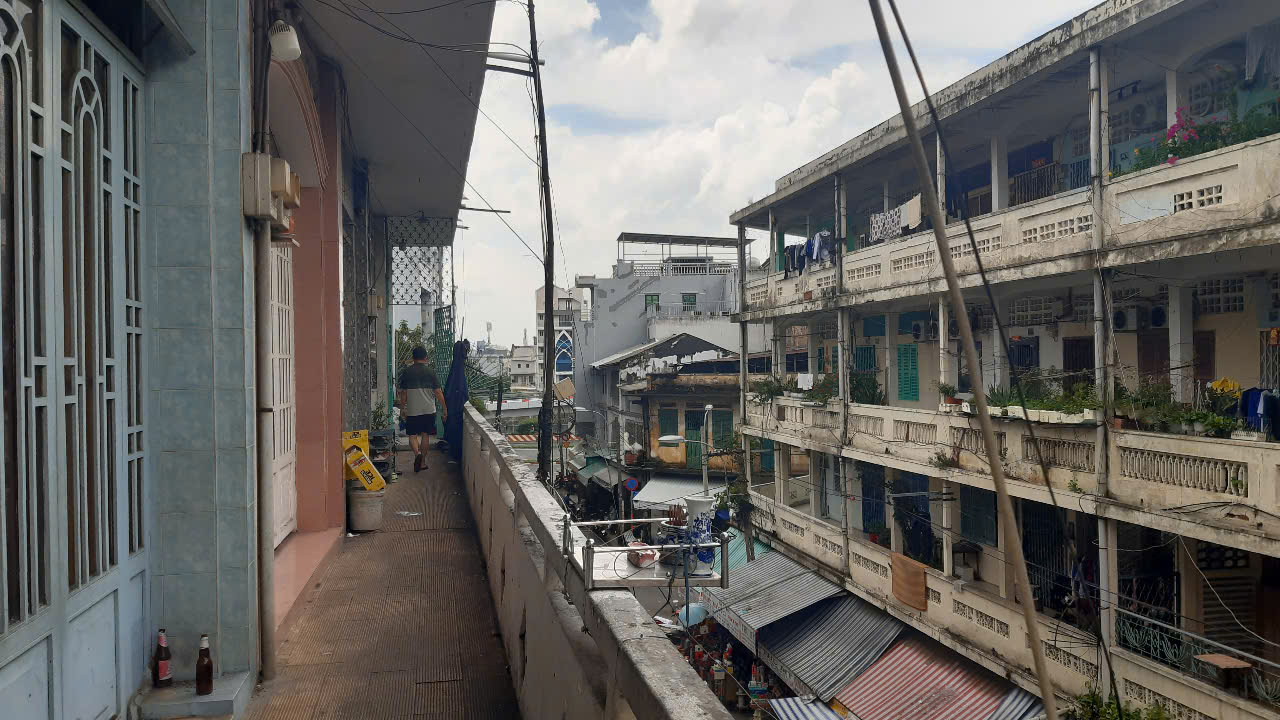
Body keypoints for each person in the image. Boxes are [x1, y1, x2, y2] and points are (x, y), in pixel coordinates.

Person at [397, 346, 446, 472]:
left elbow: (403, 393)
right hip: (429, 410)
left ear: (413, 358)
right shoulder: (431, 372)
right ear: (425, 357)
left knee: (412, 435)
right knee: (425, 435)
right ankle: (423, 462)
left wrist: (402, 409)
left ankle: (417, 453)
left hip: (412, 409)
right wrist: (445, 408)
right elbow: (438, 392)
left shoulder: (407, 372)